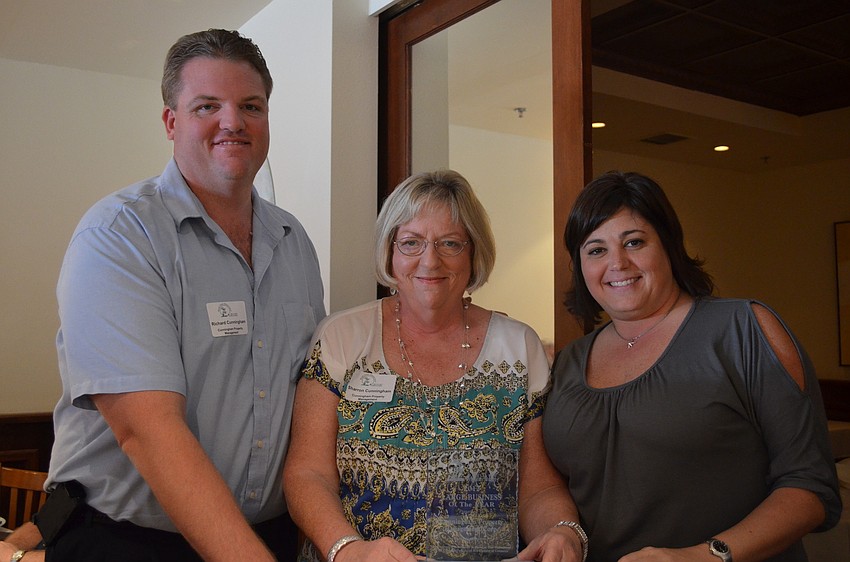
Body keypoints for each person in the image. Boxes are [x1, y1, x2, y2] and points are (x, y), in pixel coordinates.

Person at [45, 29, 325, 561]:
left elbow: (310, 398)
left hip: (271, 537)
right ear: (171, 122)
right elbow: (146, 431)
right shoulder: (119, 235)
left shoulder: (294, 242)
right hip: (126, 543)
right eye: (207, 106)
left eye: (251, 105)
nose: (233, 122)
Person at [283, 170, 584, 562]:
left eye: (450, 243)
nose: (430, 259)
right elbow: (307, 474)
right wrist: (349, 549)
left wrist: (563, 532)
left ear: (473, 252)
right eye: (411, 243)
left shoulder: (518, 347)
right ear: (389, 252)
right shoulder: (342, 338)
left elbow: (539, 487)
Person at [543, 170, 841, 561]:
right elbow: (552, 486)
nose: (617, 262)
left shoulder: (744, 329)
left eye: (634, 242)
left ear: (668, 244)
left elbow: (810, 486)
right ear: (580, 266)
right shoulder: (567, 361)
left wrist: (704, 556)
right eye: (596, 249)